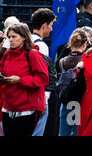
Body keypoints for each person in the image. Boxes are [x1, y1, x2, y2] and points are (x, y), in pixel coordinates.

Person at [0, 23, 48, 136]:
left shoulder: (33, 54)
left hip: (27, 108)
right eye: (9, 37)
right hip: (8, 107)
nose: (10, 40)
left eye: (14, 36)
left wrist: (20, 80)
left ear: (23, 37)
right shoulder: (7, 54)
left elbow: (43, 78)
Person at [30, 8, 58, 137]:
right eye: (51, 25)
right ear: (44, 25)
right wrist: (44, 101)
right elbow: (43, 75)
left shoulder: (27, 40)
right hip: (38, 96)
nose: (51, 29)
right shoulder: (41, 46)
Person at [58, 29, 89, 136]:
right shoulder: (85, 61)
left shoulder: (62, 61)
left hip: (66, 99)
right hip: (81, 100)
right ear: (85, 44)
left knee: (64, 132)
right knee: (77, 131)